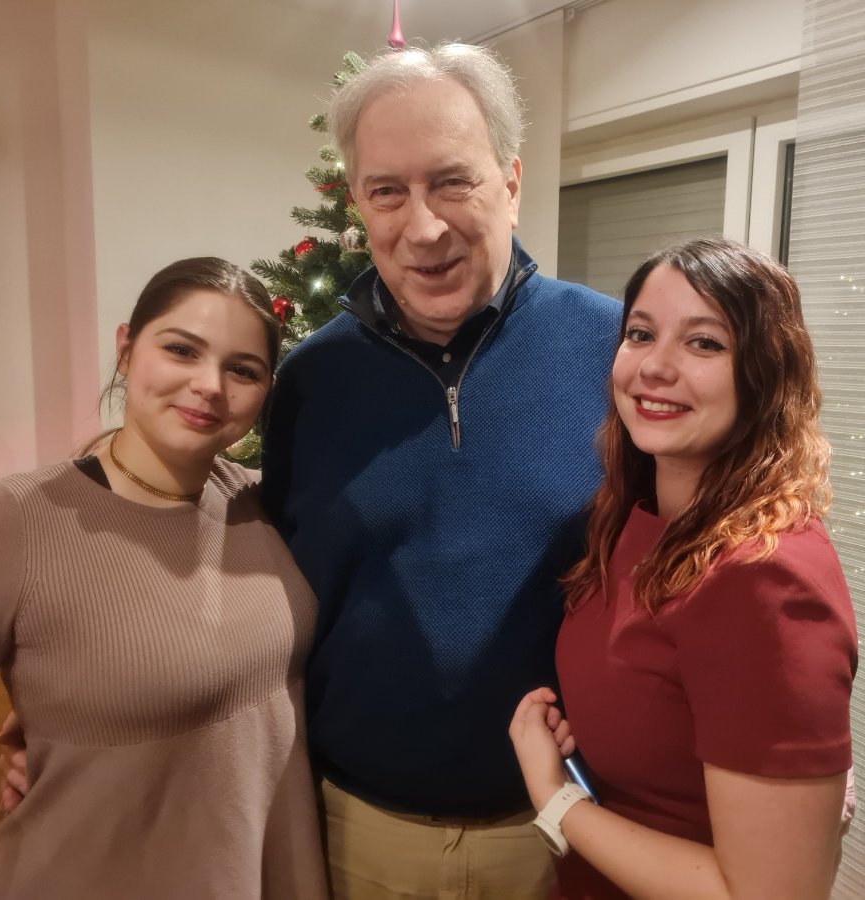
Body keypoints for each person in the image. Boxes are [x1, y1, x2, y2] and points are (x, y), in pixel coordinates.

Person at [258, 43, 622, 897]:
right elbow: (257, 592)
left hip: (565, 826)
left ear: (512, 182)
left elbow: (698, 547)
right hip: (357, 836)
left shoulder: (615, 350)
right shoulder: (308, 381)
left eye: (452, 181)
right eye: (388, 191)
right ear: (358, 202)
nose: (422, 228)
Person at [0, 258, 328, 899]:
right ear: (126, 349)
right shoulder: (14, 521)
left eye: (242, 369)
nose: (209, 385)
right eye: (181, 350)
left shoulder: (259, 501)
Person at [509, 238, 858, 899]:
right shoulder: (637, 518)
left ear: (766, 373)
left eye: (704, 343)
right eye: (641, 334)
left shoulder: (765, 578)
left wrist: (554, 796)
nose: (655, 367)